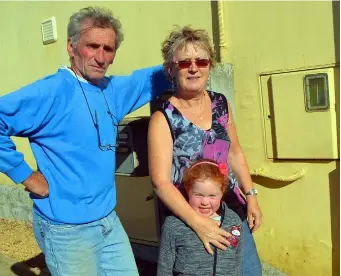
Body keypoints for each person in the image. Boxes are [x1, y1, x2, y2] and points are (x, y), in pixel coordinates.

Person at [0, 6, 169, 276]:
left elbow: (149, 79)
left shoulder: (111, 90)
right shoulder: (52, 91)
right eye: (92, 46)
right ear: (71, 46)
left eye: (108, 49)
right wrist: (25, 175)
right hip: (67, 231)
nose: (101, 57)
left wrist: (185, 58)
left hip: (108, 222)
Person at [148, 25, 262, 275]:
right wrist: (199, 224)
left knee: (249, 271)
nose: (193, 68)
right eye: (184, 62)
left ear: (209, 66)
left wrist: (251, 195)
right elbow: (161, 183)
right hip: (190, 221)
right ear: (170, 69)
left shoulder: (221, 103)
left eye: (201, 61)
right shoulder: (163, 118)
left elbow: (235, 152)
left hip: (232, 213)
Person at [157, 159, 243, 276]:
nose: (205, 202)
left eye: (212, 195)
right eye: (198, 195)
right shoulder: (173, 224)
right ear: (188, 190)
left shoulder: (233, 221)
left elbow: (236, 262)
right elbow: (164, 267)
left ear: (222, 192)